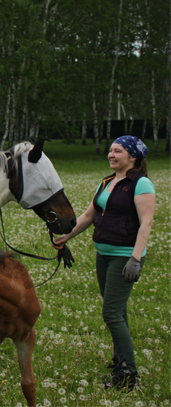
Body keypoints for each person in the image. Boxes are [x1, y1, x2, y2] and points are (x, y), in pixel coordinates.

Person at [53, 136, 155, 391]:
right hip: (104, 254)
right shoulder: (107, 182)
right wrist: (67, 236)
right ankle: (121, 362)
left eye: (117, 151)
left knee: (110, 313)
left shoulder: (141, 184)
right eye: (110, 150)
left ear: (132, 157)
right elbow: (89, 215)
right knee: (117, 312)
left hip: (125, 255)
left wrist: (135, 258)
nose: (111, 155)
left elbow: (147, 223)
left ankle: (129, 372)